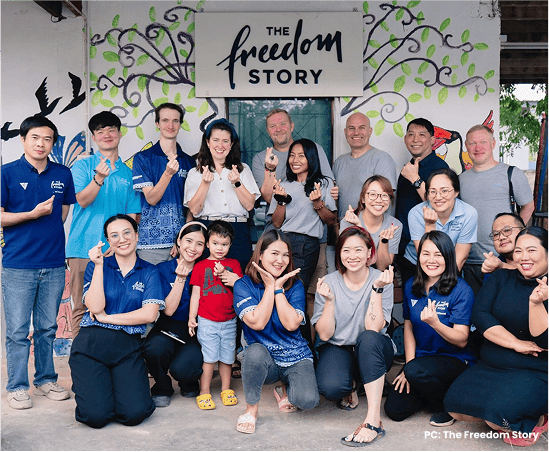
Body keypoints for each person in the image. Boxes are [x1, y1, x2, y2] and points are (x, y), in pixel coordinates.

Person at [445, 226, 549, 447]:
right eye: (518, 251)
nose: (524, 257)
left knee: (496, 419)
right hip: (493, 365)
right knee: (454, 406)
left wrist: (536, 304)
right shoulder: (501, 277)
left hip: (536, 370)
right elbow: (480, 315)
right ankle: (508, 410)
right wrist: (515, 343)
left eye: (532, 250)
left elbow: (545, 342)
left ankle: (539, 418)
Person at [1, 115, 76, 410]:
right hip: (18, 265)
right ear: (23, 140)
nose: (41, 143)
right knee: (18, 331)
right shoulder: (7, 173)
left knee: (47, 327)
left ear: (52, 143)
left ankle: (45, 380)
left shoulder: (63, 173)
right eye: (35, 137)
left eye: (47, 139)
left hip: (54, 263)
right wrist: (32, 215)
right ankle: (17, 387)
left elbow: (63, 210)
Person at [69, 215, 164, 428]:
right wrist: (99, 265)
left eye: (127, 232)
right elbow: (95, 307)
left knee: (134, 414)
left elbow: (149, 314)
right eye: (114, 235)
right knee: (96, 417)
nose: (122, 239)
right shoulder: (97, 267)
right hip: (91, 346)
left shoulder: (149, 271)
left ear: (137, 235)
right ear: (108, 241)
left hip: (127, 348)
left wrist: (108, 318)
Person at [311, 227, 395, 446]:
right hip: (339, 346)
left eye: (358, 249)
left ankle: (373, 421)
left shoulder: (382, 280)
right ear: (339, 253)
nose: (352, 256)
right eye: (346, 250)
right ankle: (353, 385)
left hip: (373, 348)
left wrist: (377, 290)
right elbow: (325, 334)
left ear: (369, 253)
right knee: (331, 388)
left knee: (368, 339)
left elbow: (373, 328)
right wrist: (330, 301)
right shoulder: (328, 281)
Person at [384, 231, 476, 427]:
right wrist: (408, 368)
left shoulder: (461, 290)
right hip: (421, 362)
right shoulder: (411, 285)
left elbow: (462, 339)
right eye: (425, 254)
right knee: (394, 410)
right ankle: (431, 391)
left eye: (438, 255)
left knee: (417, 372)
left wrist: (435, 323)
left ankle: (450, 406)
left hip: (454, 360)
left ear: (448, 257)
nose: (431, 260)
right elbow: (408, 327)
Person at [232, 229, 319, 434]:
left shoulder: (295, 285)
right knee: (253, 352)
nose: (281, 260)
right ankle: (251, 410)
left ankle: (284, 388)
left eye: (286, 255)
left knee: (307, 401)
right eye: (274, 253)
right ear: (260, 255)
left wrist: (278, 289)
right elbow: (258, 322)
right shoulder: (243, 285)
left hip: (295, 355)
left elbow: (291, 325)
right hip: (265, 359)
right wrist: (269, 286)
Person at [66, 111, 141, 338]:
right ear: (93, 137)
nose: (107, 135)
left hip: (116, 252)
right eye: (100, 131)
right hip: (82, 249)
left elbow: (132, 216)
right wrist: (98, 178)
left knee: (114, 306)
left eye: (111, 130)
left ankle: (108, 355)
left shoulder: (129, 173)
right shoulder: (82, 167)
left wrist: (119, 245)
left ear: (120, 133)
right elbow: (81, 200)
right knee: (81, 307)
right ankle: (80, 356)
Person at [459, 124, 534, 294]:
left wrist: (513, 235)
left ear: (493, 144)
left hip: (505, 260)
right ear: (466, 147)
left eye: (483, 142)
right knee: (476, 308)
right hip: (470, 261)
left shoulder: (511, 174)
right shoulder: (460, 180)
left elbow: (528, 207)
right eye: (472, 143)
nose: (478, 148)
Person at [142, 221, 208, 408]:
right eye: (188, 241)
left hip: (195, 330)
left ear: (205, 247)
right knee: (154, 349)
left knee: (185, 368)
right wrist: (180, 278)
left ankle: (189, 381)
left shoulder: (206, 270)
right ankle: (162, 386)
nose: (193, 248)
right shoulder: (162, 269)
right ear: (179, 241)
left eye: (199, 244)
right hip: (167, 326)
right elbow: (168, 310)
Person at [184, 118, 260, 272]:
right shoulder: (195, 173)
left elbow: (249, 205)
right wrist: (205, 183)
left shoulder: (243, 169)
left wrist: (237, 182)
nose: (220, 146)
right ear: (207, 142)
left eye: (225, 141)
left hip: (237, 230)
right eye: (216, 140)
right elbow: (195, 210)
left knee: (239, 277)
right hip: (208, 230)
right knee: (207, 279)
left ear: (231, 144)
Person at [268, 138, 337, 291]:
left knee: (295, 289)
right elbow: (277, 223)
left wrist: (318, 203)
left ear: (311, 158)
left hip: (307, 244)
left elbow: (331, 220)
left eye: (301, 156)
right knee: (282, 288)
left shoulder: (324, 184)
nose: (295, 160)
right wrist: (281, 200)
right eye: (292, 155)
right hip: (283, 241)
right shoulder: (283, 185)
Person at [188, 221, 243, 410]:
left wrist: (225, 273)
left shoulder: (234, 264)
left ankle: (226, 389)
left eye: (224, 244)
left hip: (229, 320)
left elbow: (240, 287)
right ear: (207, 244)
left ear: (230, 245)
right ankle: (204, 391)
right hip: (207, 320)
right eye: (215, 243)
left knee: (228, 358)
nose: (220, 248)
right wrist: (192, 317)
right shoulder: (200, 266)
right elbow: (195, 294)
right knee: (209, 358)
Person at [132, 102, 196, 264]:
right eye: (165, 120)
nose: (170, 125)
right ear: (157, 124)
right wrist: (168, 174)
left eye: (175, 121)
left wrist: (185, 238)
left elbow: (192, 206)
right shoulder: (143, 158)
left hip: (182, 246)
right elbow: (151, 199)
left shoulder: (188, 161)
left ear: (180, 124)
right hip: (150, 244)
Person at [401, 168, 478, 284]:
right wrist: (429, 224)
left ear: (456, 192)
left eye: (444, 191)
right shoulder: (416, 213)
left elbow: (460, 258)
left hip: (452, 265)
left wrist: (443, 284)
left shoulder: (469, 213)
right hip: (417, 264)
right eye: (433, 191)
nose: (438, 197)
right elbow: (425, 256)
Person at [395, 118, 449, 269]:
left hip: (428, 249)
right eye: (411, 134)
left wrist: (416, 179)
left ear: (432, 140)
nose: (415, 139)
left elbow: (441, 205)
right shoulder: (408, 167)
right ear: (405, 139)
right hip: (405, 248)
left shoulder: (440, 168)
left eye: (422, 135)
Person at [333, 112, 397, 221]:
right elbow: (334, 201)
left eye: (362, 128)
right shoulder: (339, 162)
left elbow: (387, 201)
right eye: (351, 128)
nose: (356, 132)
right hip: (344, 228)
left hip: (371, 229)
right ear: (345, 132)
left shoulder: (381, 159)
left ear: (370, 131)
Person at [340, 175, 402, 270]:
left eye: (384, 195)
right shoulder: (349, 221)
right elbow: (351, 260)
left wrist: (383, 241)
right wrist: (358, 226)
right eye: (373, 194)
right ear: (363, 199)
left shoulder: (394, 225)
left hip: (378, 276)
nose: (379, 200)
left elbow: (382, 267)